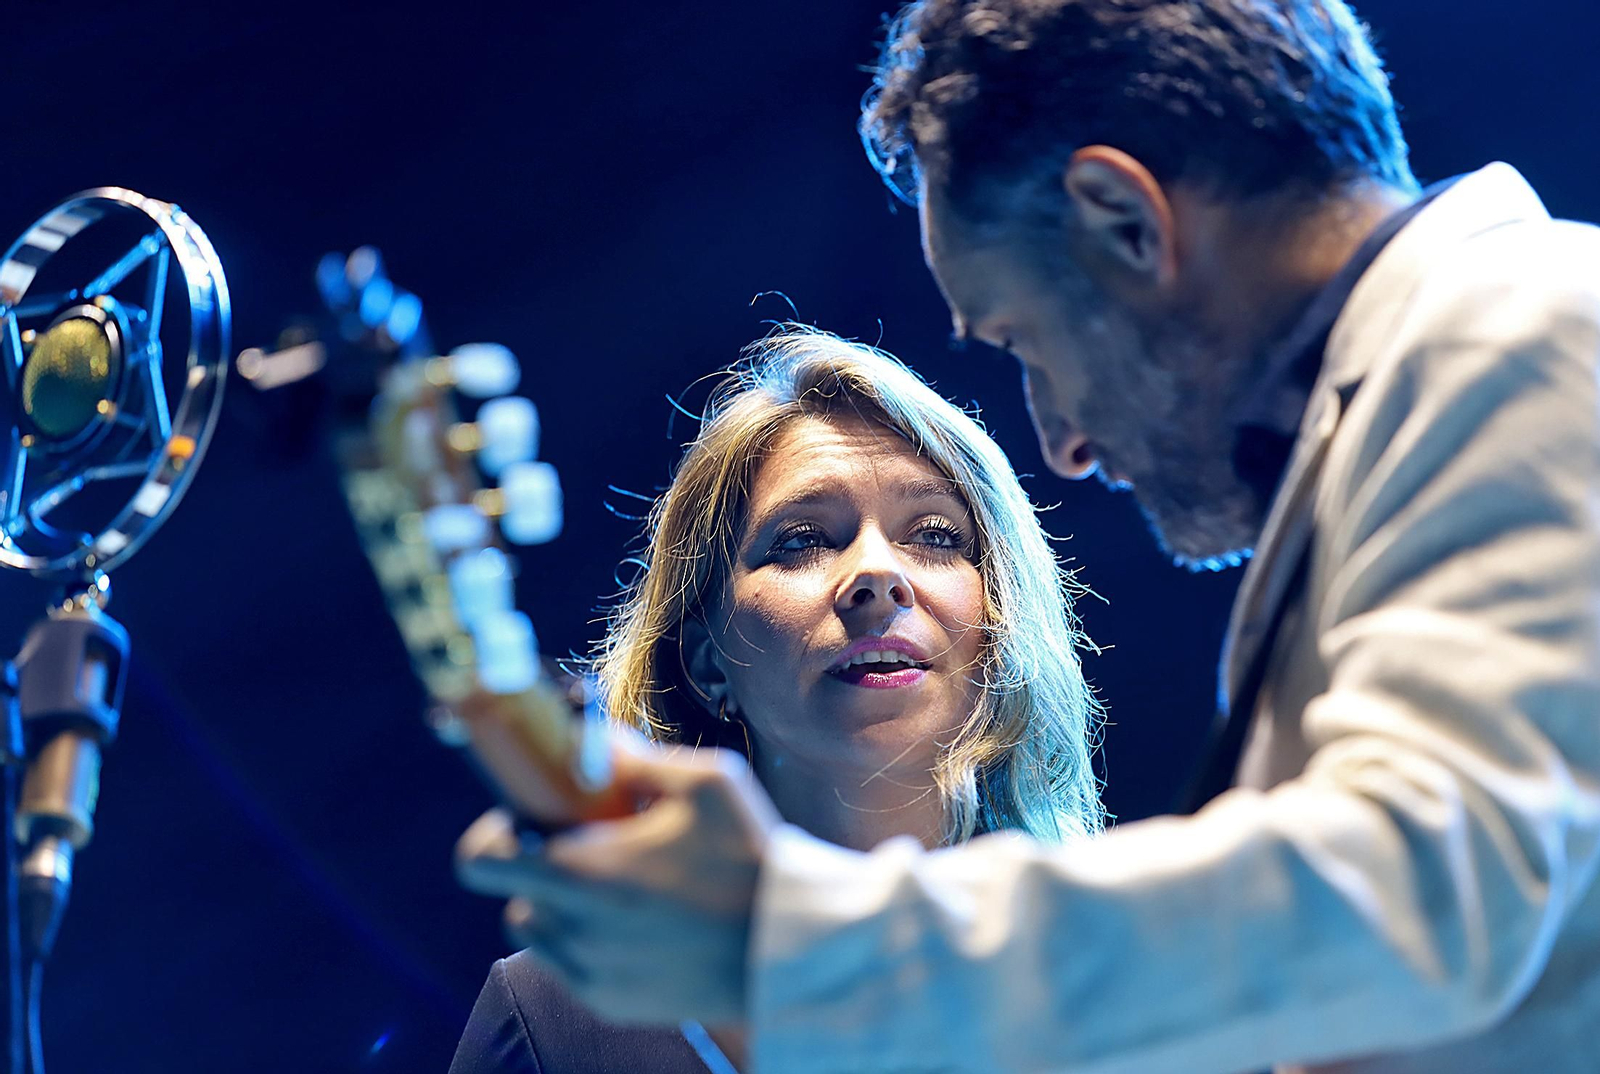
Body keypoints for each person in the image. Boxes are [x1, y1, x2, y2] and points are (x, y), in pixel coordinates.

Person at [457, 2, 1600, 1071]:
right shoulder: (1448, 376)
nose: (1062, 441)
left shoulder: (1510, 331)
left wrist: (795, 940)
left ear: (1123, 223)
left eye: (1024, 339)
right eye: (800, 541)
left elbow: (1424, 897)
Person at [451, 328, 1106, 1072]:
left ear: (1000, 625)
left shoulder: (1116, 952)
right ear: (708, 663)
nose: (877, 574)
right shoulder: (554, 1016)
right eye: (800, 541)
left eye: (934, 534)